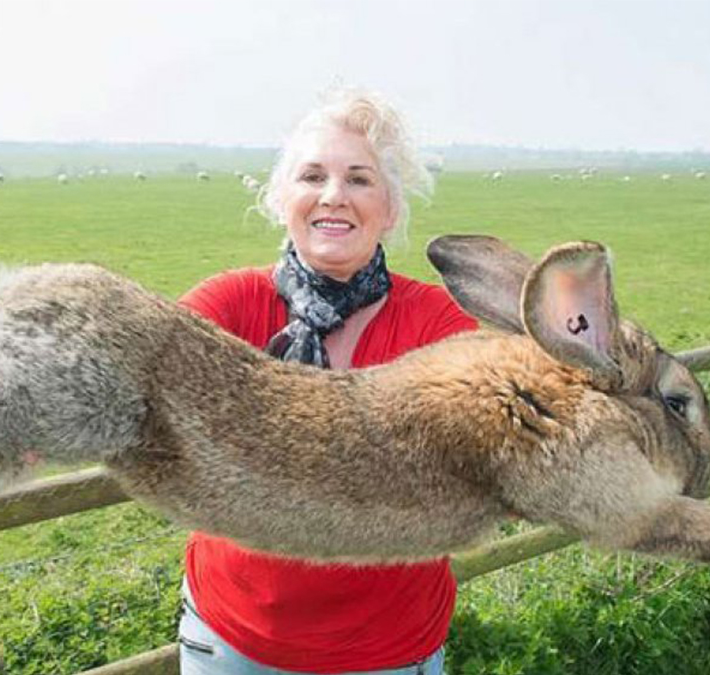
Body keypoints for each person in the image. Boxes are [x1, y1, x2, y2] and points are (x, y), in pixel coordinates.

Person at [176, 89, 478, 674]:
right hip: (232, 641)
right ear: (282, 199)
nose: (333, 195)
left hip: (387, 652)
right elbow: (139, 363)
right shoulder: (232, 304)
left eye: (359, 179)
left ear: (390, 209)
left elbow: (497, 440)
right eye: (312, 176)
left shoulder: (438, 325)